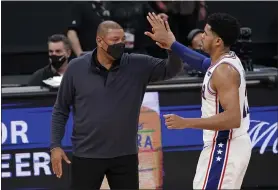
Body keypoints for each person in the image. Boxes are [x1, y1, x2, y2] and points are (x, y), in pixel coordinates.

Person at [50, 21, 182, 190]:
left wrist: (171, 46)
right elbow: (60, 110)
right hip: (87, 155)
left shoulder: (137, 64)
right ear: (99, 40)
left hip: (125, 156)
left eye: (123, 40)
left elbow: (171, 69)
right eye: (115, 40)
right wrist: (55, 145)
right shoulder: (76, 68)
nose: (120, 44)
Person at [145, 12, 252, 189]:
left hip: (224, 147)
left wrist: (185, 122)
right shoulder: (223, 61)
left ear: (218, 41)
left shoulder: (224, 71)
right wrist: (173, 44)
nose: (202, 36)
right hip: (226, 146)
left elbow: (233, 118)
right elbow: (202, 63)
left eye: (206, 33)